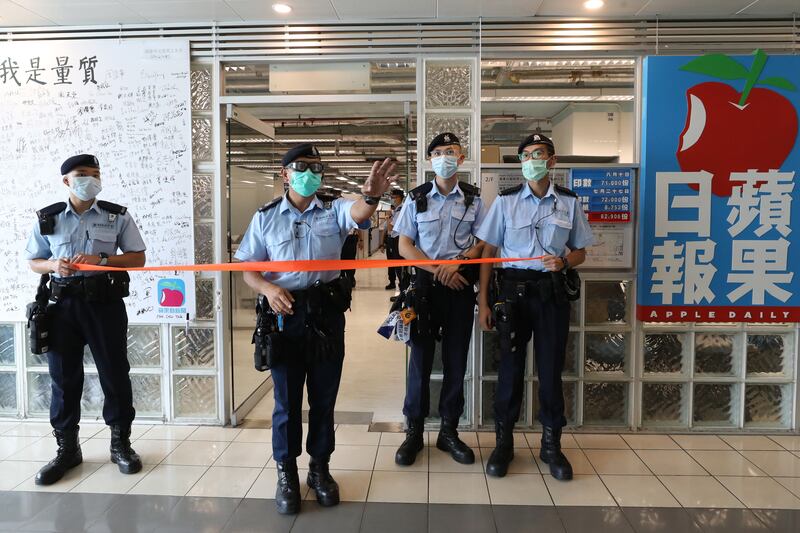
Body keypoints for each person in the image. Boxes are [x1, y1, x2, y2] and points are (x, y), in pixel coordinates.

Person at [235, 143, 396, 515]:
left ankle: (319, 469)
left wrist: (371, 195)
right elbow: (247, 268)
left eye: (316, 167)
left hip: (325, 315)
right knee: (287, 403)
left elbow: (358, 212)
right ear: (285, 174)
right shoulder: (266, 217)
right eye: (302, 167)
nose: (310, 173)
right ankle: (286, 472)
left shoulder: (334, 209)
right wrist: (269, 288)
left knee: (323, 400)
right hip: (283, 316)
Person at [476, 134, 594, 480]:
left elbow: (582, 250)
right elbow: (488, 254)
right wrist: (483, 301)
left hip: (551, 295)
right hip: (512, 293)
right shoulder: (506, 202)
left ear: (552, 161)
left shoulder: (569, 203)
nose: (531, 160)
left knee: (550, 372)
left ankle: (551, 445)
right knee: (509, 370)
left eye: (537, 154)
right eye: (525, 155)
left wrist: (566, 262)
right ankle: (503, 444)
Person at [24, 154, 147, 486]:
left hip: (104, 305)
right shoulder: (48, 218)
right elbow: (34, 260)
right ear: (67, 180)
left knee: (114, 373)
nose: (89, 179)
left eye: (95, 174)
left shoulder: (115, 215)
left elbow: (138, 258)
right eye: (82, 174)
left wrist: (103, 259)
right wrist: (53, 266)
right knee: (63, 379)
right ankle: (67, 449)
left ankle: (121, 444)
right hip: (62, 307)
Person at [392, 133, 486, 467]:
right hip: (424, 289)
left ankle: (449, 431)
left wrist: (457, 264)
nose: (443, 157)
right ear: (429, 160)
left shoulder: (474, 199)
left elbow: (484, 242)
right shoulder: (416, 199)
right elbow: (405, 245)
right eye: (437, 152)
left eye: (450, 152)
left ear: (461, 159)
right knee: (419, 362)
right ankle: (413, 432)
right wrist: (437, 269)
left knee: (456, 362)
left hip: (459, 287)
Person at [383, 189, 405, 291]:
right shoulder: (395, 210)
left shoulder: (401, 210)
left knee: (398, 264)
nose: (392, 200)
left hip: (397, 239)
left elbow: (390, 228)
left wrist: (388, 218)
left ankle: (402, 286)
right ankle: (392, 282)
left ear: (401, 198)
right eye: (391, 198)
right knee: (391, 262)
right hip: (392, 239)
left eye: (394, 198)